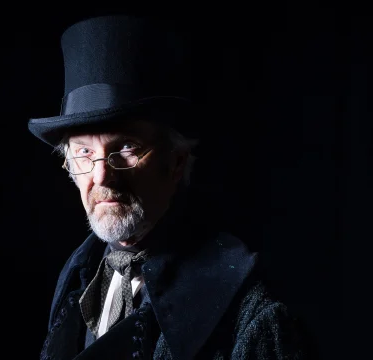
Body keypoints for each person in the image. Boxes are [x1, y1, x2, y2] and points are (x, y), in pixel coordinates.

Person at [28, 14, 312, 360]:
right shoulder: (75, 280)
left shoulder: (253, 317)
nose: (102, 177)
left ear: (176, 161)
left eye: (126, 148)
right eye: (84, 152)